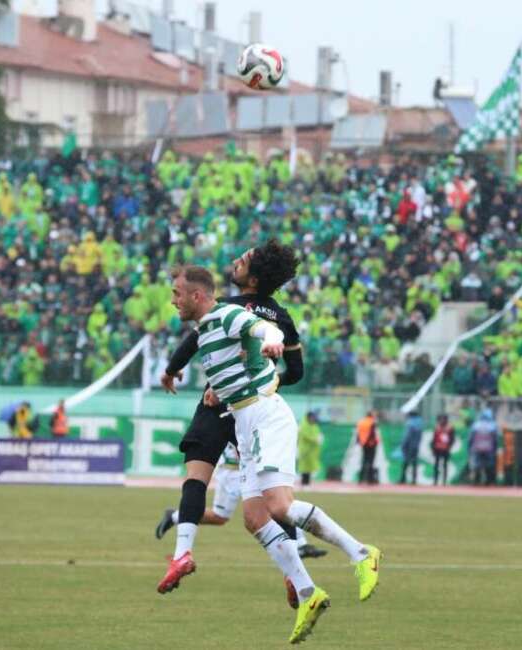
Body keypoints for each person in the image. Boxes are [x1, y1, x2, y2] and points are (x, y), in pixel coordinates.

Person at [159, 264, 381, 643]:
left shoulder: (227, 314)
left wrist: (272, 340)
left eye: (177, 294)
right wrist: (201, 382)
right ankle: (309, 593)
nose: (173, 300)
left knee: (278, 508)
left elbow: (263, 328)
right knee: (254, 518)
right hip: (244, 425)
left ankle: (361, 553)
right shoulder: (204, 330)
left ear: (197, 296)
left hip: (266, 417)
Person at [154, 242, 321, 582]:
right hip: (257, 407)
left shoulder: (227, 308)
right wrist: (268, 381)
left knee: (196, 477)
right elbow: (297, 371)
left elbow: (193, 343)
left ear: (253, 279)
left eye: (242, 261)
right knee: (271, 498)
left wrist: (170, 371)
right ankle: (295, 576)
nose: (235, 262)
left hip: (221, 403)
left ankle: (183, 552)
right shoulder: (282, 316)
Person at [156, 443, 328, 559]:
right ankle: (175, 516)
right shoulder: (235, 407)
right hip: (231, 471)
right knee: (220, 516)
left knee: (274, 504)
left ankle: (300, 544)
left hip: (244, 470)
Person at [468, 408, 499, 486]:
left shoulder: (476, 425)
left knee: (477, 464)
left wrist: (470, 447)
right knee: (489, 465)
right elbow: (495, 439)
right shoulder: (492, 425)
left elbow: (471, 438)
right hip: (489, 448)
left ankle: (476, 481)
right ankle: (489, 481)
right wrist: (495, 448)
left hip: (477, 448)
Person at [298, 410, 322, 487]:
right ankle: (304, 483)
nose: (314, 419)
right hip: (305, 449)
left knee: (309, 467)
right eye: (312, 417)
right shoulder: (304, 425)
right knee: (304, 467)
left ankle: (307, 483)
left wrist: (318, 438)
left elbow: (317, 434)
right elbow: (305, 435)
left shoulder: (314, 425)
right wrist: (315, 439)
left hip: (312, 450)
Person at [431, 414, 455, 486]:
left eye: (444, 419)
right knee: (436, 465)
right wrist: (433, 448)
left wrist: (449, 447)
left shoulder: (450, 428)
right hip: (437, 448)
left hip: (445, 449)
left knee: (445, 465)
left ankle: (444, 481)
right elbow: (434, 439)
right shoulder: (437, 427)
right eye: (441, 419)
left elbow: (452, 439)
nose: (442, 421)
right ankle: (435, 481)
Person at [356, 410, 379, 485]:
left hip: (363, 443)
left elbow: (358, 433)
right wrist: (372, 442)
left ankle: (361, 479)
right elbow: (372, 433)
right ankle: (370, 479)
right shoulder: (372, 422)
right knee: (370, 461)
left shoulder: (361, 422)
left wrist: (359, 442)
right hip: (371, 444)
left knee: (364, 461)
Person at [399, 411, 423, 484]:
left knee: (405, 462)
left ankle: (403, 478)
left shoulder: (410, 423)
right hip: (416, 446)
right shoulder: (420, 423)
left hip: (409, 446)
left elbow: (407, 436)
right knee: (414, 463)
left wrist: (403, 445)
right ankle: (414, 480)